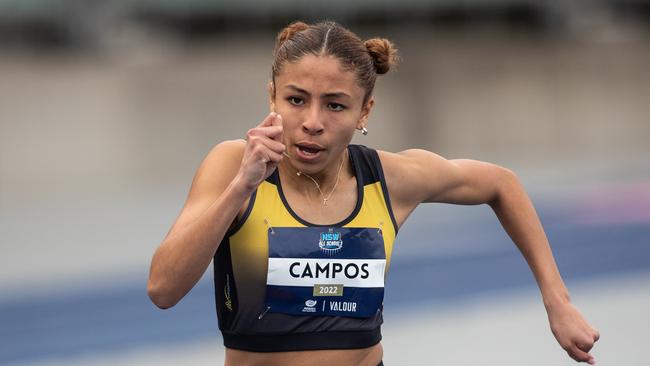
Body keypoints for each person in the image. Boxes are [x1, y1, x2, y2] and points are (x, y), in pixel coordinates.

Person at [147, 20, 600, 366]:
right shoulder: (232, 165)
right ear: (272, 98)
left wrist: (556, 300)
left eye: (336, 105)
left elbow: (502, 184)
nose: (312, 121)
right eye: (296, 99)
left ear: (365, 110)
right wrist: (240, 189)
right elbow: (163, 289)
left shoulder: (390, 179)